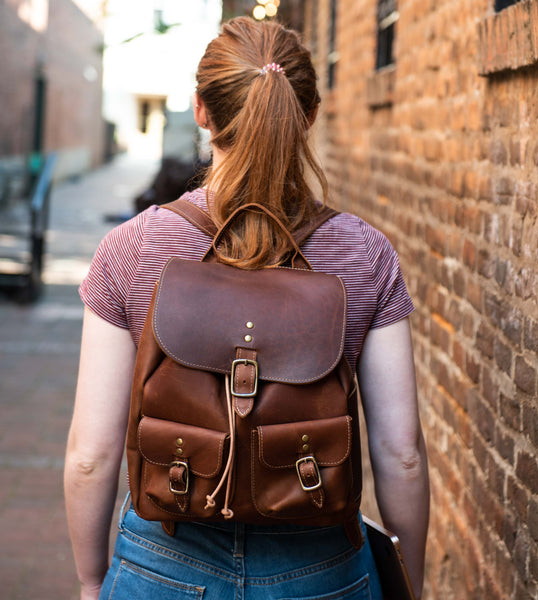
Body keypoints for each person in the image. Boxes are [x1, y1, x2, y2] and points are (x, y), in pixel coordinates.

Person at [64, 16, 429, 600]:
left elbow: (92, 455)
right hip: (322, 566)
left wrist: (89, 580)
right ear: (308, 115)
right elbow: (400, 452)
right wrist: (412, 573)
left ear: (202, 111)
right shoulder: (366, 253)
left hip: (165, 557)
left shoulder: (132, 248)